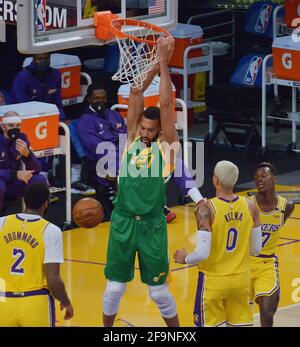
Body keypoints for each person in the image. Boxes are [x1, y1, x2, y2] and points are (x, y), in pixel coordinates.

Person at [102, 36, 180, 327]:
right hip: (122, 221)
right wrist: (154, 61)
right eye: (144, 128)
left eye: (151, 129)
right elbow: (136, 91)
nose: (145, 132)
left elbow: (165, 102)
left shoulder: (168, 145)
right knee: (114, 288)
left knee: (159, 292)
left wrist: (163, 60)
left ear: (160, 131)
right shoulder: (133, 136)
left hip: (151, 225)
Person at [77, 82, 204, 221]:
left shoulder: (114, 114)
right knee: (131, 166)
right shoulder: (85, 121)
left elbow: (130, 135)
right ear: (89, 99)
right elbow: (96, 148)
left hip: (128, 150)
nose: (100, 101)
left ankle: (199, 201)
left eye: (103, 98)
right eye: (96, 98)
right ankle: (157, 206)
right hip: (105, 158)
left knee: (175, 163)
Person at [174, 160, 262, 327]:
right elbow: (257, 248)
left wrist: (185, 258)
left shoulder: (206, 209)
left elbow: (202, 253)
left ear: (215, 180)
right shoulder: (251, 206)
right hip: (241, 281)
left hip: (214, 283)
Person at [0, 182, 73, 326]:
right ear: (46, 203)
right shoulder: (50, 230)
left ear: (25, 200)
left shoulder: (2, 223)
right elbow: (53, 279)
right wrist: (66, 302)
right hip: (35, 302)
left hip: (3, 302)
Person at [249, 162, 294, 327]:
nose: (258, 180)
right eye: (256, 177)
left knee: (267, 311)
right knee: (240, 318)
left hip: (267, 264)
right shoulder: (248, 205)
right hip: (245, 263)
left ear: (274, 178)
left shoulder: (286, 206)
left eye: (263, 176)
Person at [0, 111, 47, 216]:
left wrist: (28, 155)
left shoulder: (22, 138)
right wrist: (15, 174)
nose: (15, 128)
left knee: (40, 180)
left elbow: (36, 170)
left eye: (18, 125)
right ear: (3, 127)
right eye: (11, 125)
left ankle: (36, 218)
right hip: (3, 182)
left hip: (13, 184)